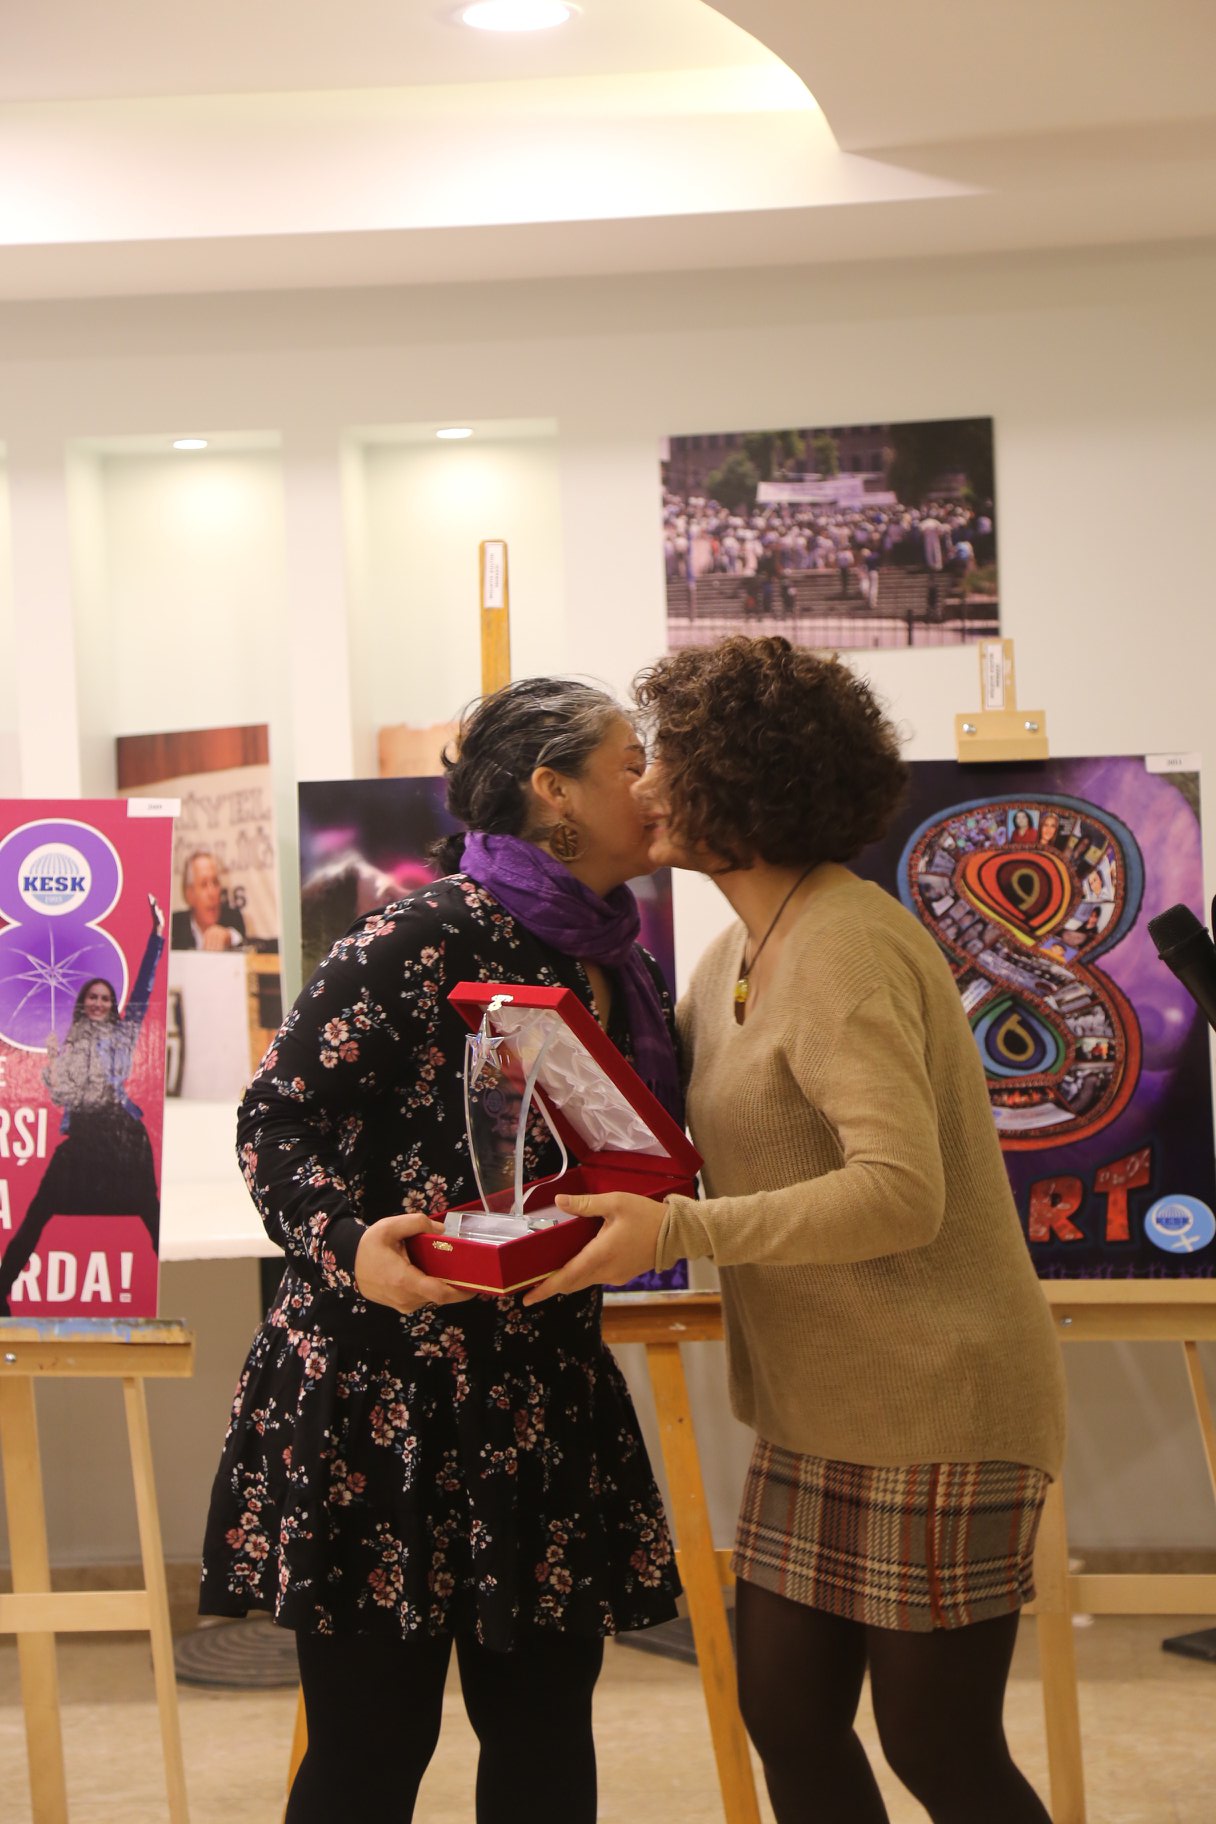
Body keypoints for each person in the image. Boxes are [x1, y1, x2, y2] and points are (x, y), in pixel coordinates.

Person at [530, 637, 1066, 1824]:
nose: (645, 785)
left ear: (740, 783)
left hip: (937, 1402)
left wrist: (678, 1227)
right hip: (821, 1409)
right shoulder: (736, 949)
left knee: (938, 1749)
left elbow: (899, 1193)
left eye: (666, 761)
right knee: (783, 1716)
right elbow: (663, 1131)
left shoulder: (845, 947)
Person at [199, 678, 682, 1824]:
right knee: (372, 1751)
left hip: (542, 1386)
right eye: (630, 763)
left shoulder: (624, 959)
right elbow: (276, 1118)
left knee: (545, 1740)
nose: (653, 785)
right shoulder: (420, 933)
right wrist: (348, 1245)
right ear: (553, 790)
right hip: (386, 1394)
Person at [0, 895, 165, 1314]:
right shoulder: (68, 1045)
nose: (98, 1003)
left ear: (112, 1006)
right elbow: (62, 1098)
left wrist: (157, 936)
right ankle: (1, 1290)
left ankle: (165, 1287)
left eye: (105, 999)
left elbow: (144, 988)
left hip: (120, 1137)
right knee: (39, 1209)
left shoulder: (125, 1035)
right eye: (92, 997)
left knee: (150, 1209)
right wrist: (54, 1066)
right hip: (84, 1138)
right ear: (83, 1003)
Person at [170, 849, 246, 951]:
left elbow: (246, 943)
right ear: (189, 894)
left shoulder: (233, 918)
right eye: (203, 884)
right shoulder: (175, 925)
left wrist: (229, 937)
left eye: (215, 882)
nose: (212, 893)